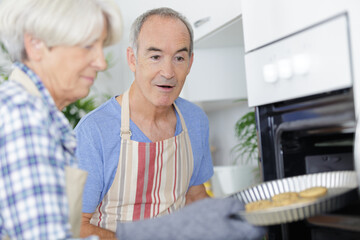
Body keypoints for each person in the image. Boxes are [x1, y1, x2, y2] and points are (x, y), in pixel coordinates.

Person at [0, 1, 264, 239]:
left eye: (179, 57)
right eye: (86, 46)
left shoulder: (44, 120)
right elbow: (62, 233)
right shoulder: (26, 122)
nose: (101, 62)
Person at [75, 7, 214, 237]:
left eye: (179, 58)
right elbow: (76, 226)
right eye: (155, 56)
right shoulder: (94, 132)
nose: (168, 72)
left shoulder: (195, 121)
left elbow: (194, 197)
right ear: (133, 59)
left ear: (190, 63)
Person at [0, 0, 122, 238]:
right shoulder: (24, 116)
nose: (101, 62)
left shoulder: (35, 112)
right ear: (36, 44)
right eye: (88, 46)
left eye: (101, 47)